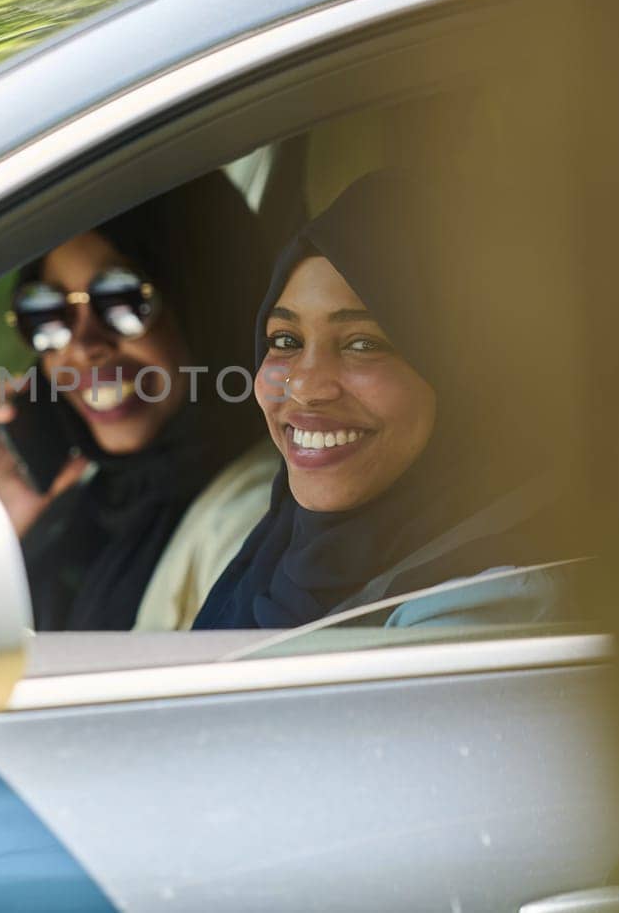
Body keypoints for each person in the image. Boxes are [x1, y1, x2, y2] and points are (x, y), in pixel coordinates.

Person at [195, 171, 578, 630]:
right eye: (286, 339)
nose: (305, 386)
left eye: (363, 344)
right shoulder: (279, 555)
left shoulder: (484, 607)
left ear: (471, 376)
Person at [0, 175, 270, 631]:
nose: (81, 346)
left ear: (206, 301)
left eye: (120, 299)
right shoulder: (94, 498)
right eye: (46, 311)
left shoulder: (252, 522)